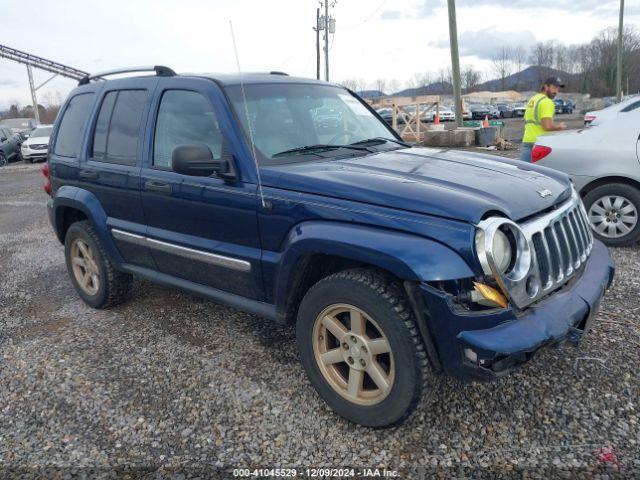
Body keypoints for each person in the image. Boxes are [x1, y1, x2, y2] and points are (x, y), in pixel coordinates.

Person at [520, 77, 567, 162]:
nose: (556, 91)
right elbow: (547, 126)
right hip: (539, 144)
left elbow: (526, 119)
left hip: (527, 141)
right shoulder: (547, 102)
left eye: (558, 88)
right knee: (540, 174)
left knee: (524, 173)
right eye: (554, 87)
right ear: (545, 87)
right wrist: (559, 127)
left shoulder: (533, 99)